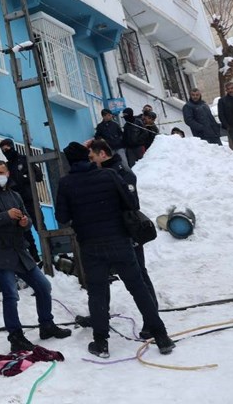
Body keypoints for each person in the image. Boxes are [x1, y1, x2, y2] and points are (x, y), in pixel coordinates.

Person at [54, 142, 174, 359]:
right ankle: (162, 336)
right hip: (119, 241)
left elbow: (61, 218)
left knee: (98, 292)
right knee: (138, 287)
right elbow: (130, 203)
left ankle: (101, 343)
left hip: (91, 245)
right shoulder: (109, 175)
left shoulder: (66, 184)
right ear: (88, 158)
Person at [0, 161, 72, 352]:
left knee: (43, 286)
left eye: (1, 172)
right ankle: (16, 336)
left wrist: (24, 222)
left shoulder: (15, 195)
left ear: (8, 172)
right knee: (11, 295)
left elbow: (28, 220)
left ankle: (46, 324)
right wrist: (6, 215)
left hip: (20, 250)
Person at [88, 139, 160, 339]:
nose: (91, 161)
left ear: (103, 154)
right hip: (106, 234)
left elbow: (130, 205)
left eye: (92, 157)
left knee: (139, 275)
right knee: (101, 278)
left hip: (125, 232)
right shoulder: (99, 174)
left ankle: (151, 320)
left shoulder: (123, 173)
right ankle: (99, 316)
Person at [0, 138, 40, 261]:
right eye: (3, 150)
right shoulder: (7, 166)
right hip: (17, 203)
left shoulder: (25, 160)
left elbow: (38, 176)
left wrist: (24, 179)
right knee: (25, 230)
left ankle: (51, 255)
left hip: (30, 199)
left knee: (40, 226)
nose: (6, 151)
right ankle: (35, 257)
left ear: (12, 146)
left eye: (7, 149)